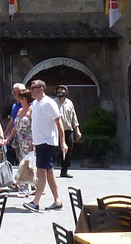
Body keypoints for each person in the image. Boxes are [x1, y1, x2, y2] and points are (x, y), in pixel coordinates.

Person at [24, 80, 65, 212]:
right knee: (49, 171)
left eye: (33, 88)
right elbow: (36, 125)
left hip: (47, 142)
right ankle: (57, 200)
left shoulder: (49, 103)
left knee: (41, 172)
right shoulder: (35, 104)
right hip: (39, 142)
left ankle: (35, 202)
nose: (31, 91)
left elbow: (59, 124)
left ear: (41, 89)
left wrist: (63, 142)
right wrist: (32, 141)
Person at [7, 86, 35, 194]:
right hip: (20, 140)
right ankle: (24, 185)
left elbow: (34, 127)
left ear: (27, 99)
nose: (20, 100)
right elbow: (15, 127)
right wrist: (8, 138)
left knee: (29, 163)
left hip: (29, 139)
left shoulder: (32, 110)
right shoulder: (19, 110)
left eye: (22, 98)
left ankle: (29, 186)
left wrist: (33, 142)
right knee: (22, 162)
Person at [56, 86, 82, 178]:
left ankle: (64, 171)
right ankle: (48, 170)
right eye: (58, 89)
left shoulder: (69, 103)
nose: (60, 91)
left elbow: (74, 117)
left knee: (68, 151)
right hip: (56, 130)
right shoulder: (54, 102)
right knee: (55, 150)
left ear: (66, 92)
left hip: (68, 130)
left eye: (62, 89)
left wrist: (77, 130)